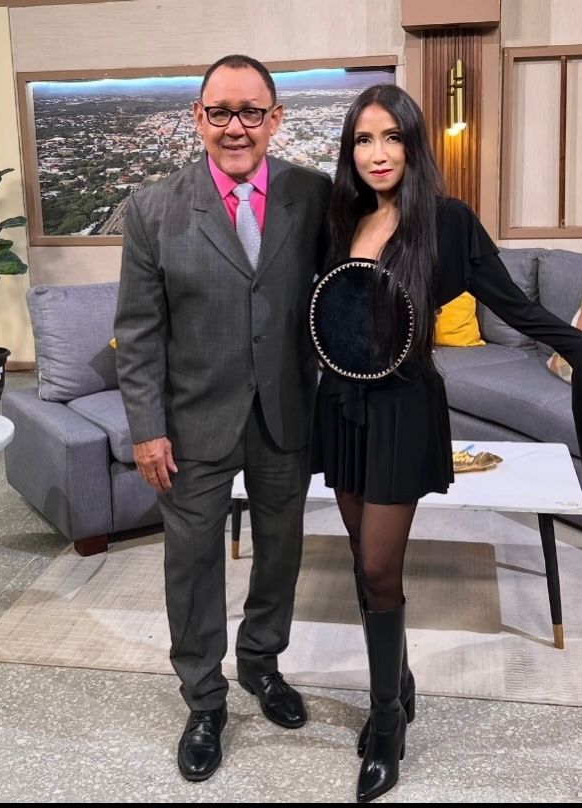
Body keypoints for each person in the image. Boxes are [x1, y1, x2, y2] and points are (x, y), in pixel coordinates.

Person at [310, 84, 582, 803]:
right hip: (342, 406)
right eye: (363, 139)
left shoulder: (446, 222)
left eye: (391, 137)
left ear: (413, 145)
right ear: (349, 151)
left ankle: (385, 723)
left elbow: (515, 306)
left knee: (380, 565)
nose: (377, 153)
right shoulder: (339, 219)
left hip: (402, 410)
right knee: (359, 558)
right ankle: (397, 682)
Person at [114, 54, 332, 782]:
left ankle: (262, 664)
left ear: (275, 118)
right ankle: (204, 698)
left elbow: (340, 291)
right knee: (191, 565)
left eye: (250, 112)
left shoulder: (313, 195)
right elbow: (138, 332)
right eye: (220, 112)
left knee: (281, 552)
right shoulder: (152, 208)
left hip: (285, 416)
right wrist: (146, 428)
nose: (235, 127)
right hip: (189, 425)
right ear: (197, 117)